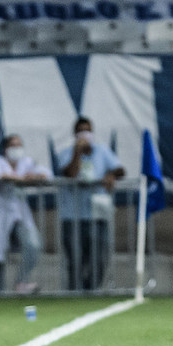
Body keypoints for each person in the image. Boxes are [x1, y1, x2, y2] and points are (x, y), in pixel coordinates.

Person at [0, 134, 53, 293]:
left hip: (20, 214)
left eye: (19, 145)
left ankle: (21, 282)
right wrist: (20, 179)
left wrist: (35, 176)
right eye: (13, 145)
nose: (17, 149)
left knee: (33, 244)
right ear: (6, 149)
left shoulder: (26, 162)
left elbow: (46, 173)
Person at [58, 116, 125, 290]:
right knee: (75, 260)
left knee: (99, 259)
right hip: (73, 216)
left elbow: (120, 170)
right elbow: (70, 174)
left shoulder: (102, 151)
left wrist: (111, 174)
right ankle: (75, 294)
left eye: (87, 130)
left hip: (97, 215)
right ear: (75, 134)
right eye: (81, 131)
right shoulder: (66, 153)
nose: (84, 134)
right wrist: (77, 153)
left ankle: (91, 291)